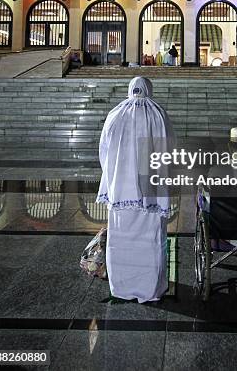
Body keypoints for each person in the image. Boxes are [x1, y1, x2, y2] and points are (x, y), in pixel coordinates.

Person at [96, 77, 175, 303]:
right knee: (150, 239)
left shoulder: (115, 114)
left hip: (121, 191)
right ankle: (150, 289)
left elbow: (104, 150)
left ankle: (120, 287)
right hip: (151, 189)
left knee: (120, 240)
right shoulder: (158, 114)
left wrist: (114, 177)